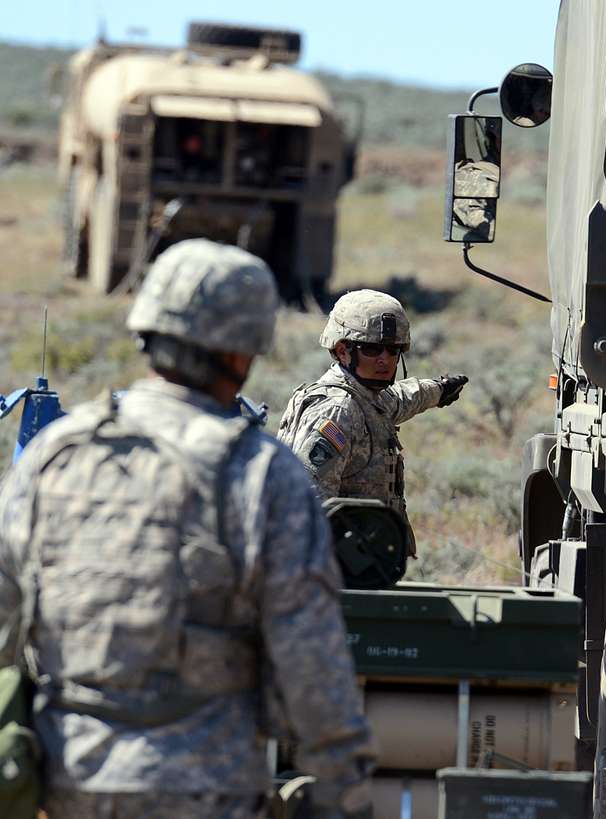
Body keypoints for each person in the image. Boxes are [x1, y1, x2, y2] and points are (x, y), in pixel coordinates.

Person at [0, 239, 374, 819]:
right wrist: (343, 790)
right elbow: (310, 658)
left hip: (69, 781)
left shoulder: (56, 454)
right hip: (207, 789)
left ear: (147, 330)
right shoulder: (262, 473)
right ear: (244, 352)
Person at [277, 290, 468, 555]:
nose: (385, 359)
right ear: (342, 351)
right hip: (339, 570)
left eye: (393, 350)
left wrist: (438, 390)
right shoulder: (337, 410)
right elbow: (310, 503)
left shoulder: (367, 397)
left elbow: (400, 399)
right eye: (371, 348)